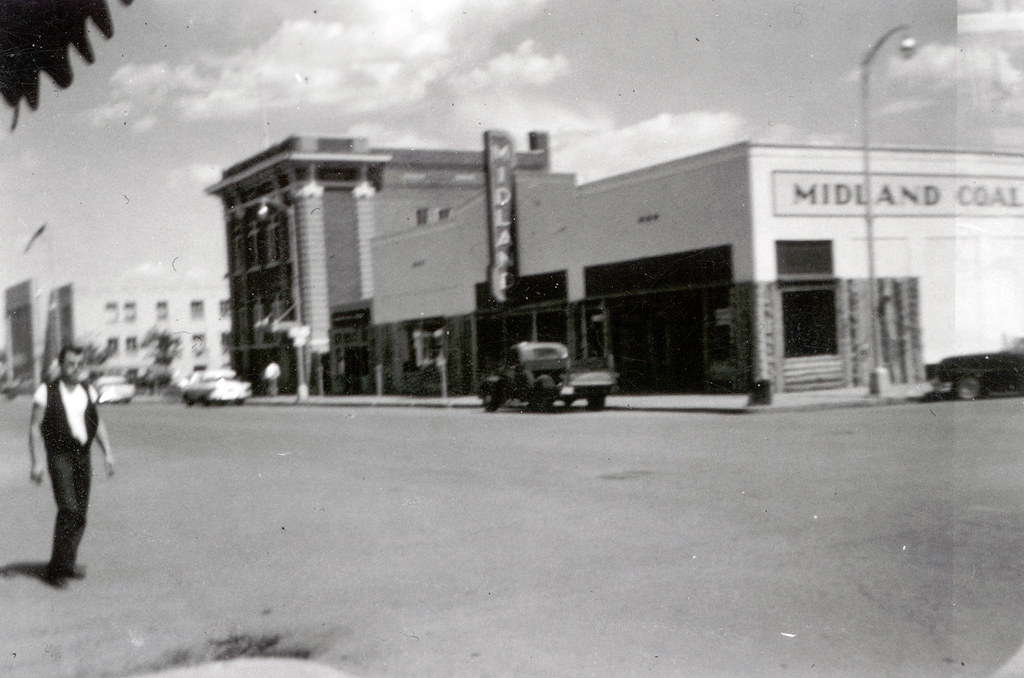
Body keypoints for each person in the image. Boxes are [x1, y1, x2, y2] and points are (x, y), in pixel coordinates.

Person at [28, 344, 115, 589]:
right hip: (59, 455)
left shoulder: (87, 390)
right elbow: (34, 427)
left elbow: (96, 424)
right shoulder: (46, 391)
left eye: (80, 363)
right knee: (68, 508)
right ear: (61, 364)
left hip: (82, 455)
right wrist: (35, 463)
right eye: (70, 364)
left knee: (80, 514)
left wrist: (107, 452)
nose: (76, 368)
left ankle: (66, 563)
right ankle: (55, 568)